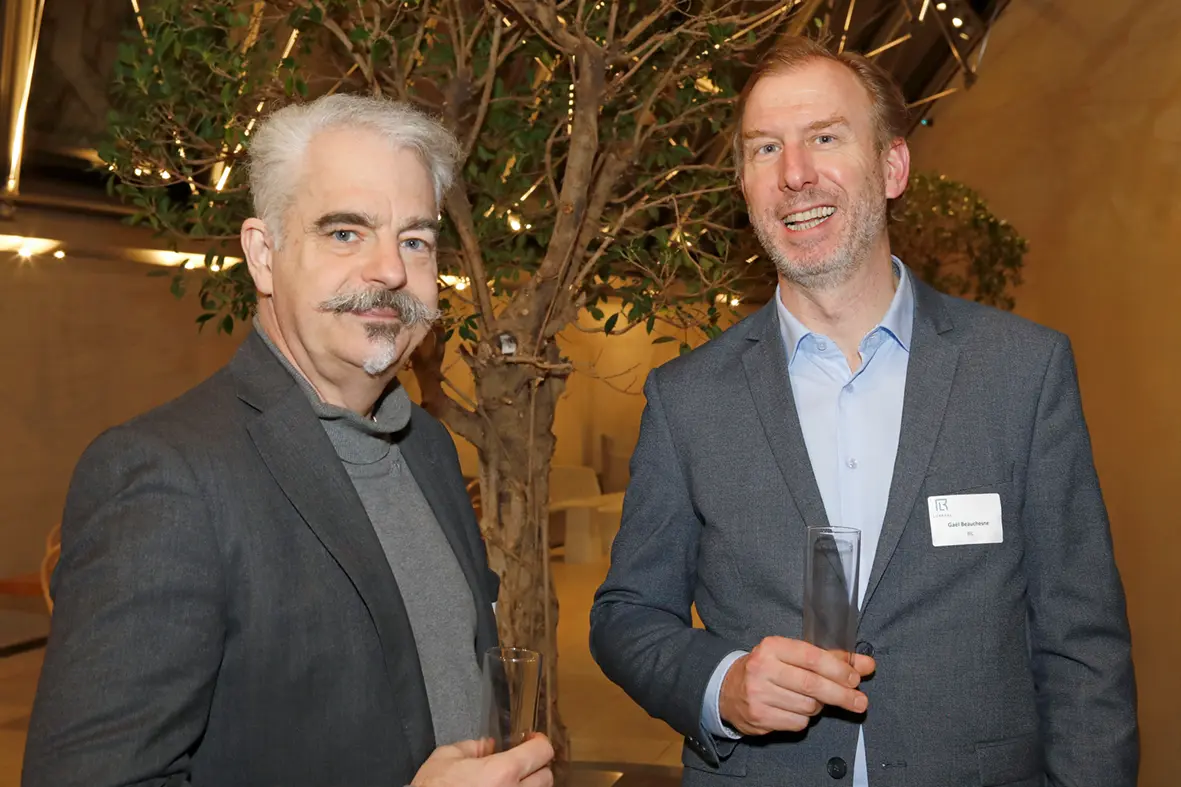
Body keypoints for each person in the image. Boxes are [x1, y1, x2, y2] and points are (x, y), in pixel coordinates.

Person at [589, 36, 1137, 787]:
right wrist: (722, 684)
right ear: (744, 185)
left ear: (892, 167)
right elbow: (626, 614)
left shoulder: (1020, 372)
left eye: (824, 137)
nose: (794, 174)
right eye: (765, 148)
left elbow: (1084, 649)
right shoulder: (686, 398)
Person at [22, 94, 553, 787]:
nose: (391, 271)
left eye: (415, 241)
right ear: (263, 255)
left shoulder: (428, 447)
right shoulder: (165, 477)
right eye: (346, 232)